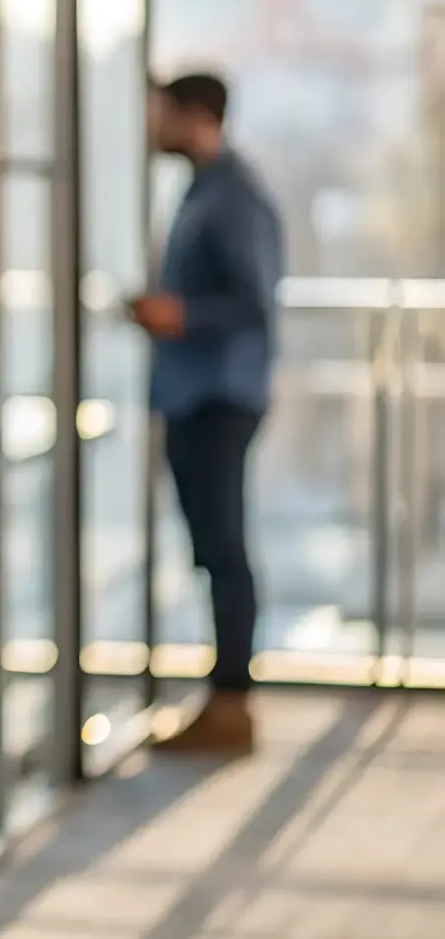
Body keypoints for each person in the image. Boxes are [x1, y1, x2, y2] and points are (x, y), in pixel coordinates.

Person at [130, 72, 282, 754]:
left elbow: (253, 302)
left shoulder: (233, 196)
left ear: (193, 117)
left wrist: (179, 316)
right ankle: (223, 699)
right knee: (213, 550)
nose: (152, 126)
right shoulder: (201, 189)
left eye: (162, 114)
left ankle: (230, 704)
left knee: (225, 552)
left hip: (220, 397)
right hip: (197, 394)